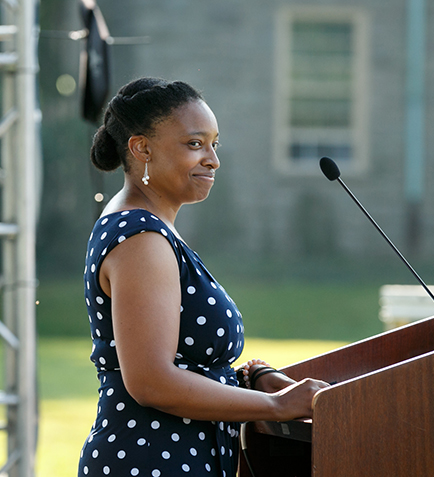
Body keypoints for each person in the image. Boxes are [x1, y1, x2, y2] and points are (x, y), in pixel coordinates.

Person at [78, 77, 329, 477]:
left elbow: (179, 363)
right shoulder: (141, 238)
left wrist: (248, 380)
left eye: (214, 144)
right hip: (154, 464)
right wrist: (279, 406)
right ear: (142, 148)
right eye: (195, 144)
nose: (212, 158)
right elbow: (151, 382)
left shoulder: (147, 228)